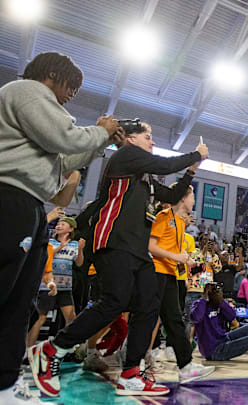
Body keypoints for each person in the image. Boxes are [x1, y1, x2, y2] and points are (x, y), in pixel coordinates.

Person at [29, 120, 208, 398]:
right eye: (148, 136)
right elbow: (163, 165)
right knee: (114, 302)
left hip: (137, 250)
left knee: (149, 304)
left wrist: (191, 170)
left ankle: (130, 373)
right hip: (113, 242)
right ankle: (52, 349)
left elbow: (173, 195)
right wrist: (195, 154)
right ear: (131, 139)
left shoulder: (145, 178)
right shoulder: (125, 156)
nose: (152, 141)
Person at [0, 51, 122, 403]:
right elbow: (65, 138)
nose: (73, 95)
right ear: (53, 75)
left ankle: (5, 385)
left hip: (32, 205)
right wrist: (99, 131)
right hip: (9, 197)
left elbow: (65, 161)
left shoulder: (40, 117)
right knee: (4, 292)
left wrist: (99, 141)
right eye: (72, 87)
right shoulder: (26, 90)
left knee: (18, 302)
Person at [147, 185, 215, 383]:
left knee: (175, 320)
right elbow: (151, 246)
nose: (194, 201)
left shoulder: (179, 222)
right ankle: (138, 363)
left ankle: (185, 366)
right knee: (149, 320)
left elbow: (172, 252)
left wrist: (185, 261)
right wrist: (177, 256)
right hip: (156, 273)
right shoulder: (164, 216)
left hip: (169, 274)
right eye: (192, 196)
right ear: (183, 198)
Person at [27, 217, 84, 348]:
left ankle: (69, 348)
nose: (58, 226)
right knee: (40, 318)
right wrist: (61, 247)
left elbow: (79, 263)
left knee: (71, 318)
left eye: (62, 224)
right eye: (58, 224)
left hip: (65, 287)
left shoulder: (74, 244)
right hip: (48, 286)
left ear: (71, 229)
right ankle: (29, 349)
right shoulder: (50, 242)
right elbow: (46, 256)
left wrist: (80, 249)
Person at [191, 283, 248, 361]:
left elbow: (232, 316)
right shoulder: (199, 304)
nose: (217, 293)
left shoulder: (219, 304)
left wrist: (221, 301)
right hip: (214, 350)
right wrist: (204, 298)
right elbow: (195, 318)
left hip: (224, 339)